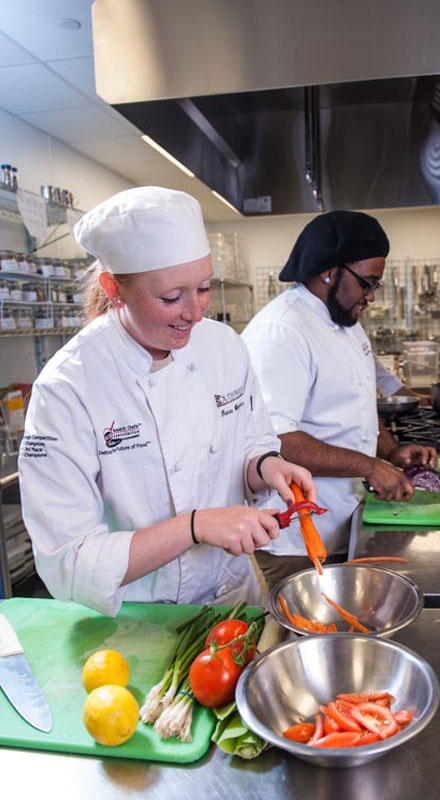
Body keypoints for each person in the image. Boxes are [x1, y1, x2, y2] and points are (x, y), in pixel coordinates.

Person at [18, 186, 315, 617]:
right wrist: (195, 526)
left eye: (202, 288)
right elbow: (68, 560)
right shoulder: (68, 387)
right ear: (114, 289)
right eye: (171, 298)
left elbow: (250, 441)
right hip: (135, 619)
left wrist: (267, 467)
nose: (194, 312)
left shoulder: (223, 346)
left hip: (234, 600)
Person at [242, 210, 437, 586]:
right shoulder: (282, 332)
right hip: (299, 537)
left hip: (343, 518)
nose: (372, 297)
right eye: (367, 283)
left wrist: (390, 452)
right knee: (312, 636)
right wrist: (368, 466)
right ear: (329, 271)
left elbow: (358, 402)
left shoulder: (344, 322)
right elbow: (276, 441)